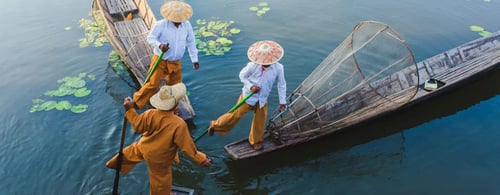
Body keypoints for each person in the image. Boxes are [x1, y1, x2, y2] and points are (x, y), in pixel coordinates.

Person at [106, 83, 211, 195]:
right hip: (159, 157)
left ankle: (115, 163)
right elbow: (188, 148)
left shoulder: (150, 113)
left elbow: (137, 126)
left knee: (130, 153)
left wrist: (130, 110)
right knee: (161, 178)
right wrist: (202, 159)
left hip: (143, 147)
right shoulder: (179, 124)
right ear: (175, 105)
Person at [208, 40, 287, 150]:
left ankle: (256, 141)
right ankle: (215, 125)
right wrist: (251, 86)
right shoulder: (252, 66)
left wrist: (282, 101)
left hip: (262, 99)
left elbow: (281, 84)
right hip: (248, 97)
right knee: (234, 116)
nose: (266, 63)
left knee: (260, 121)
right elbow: (242, 76)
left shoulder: (278, 68)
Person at [133, 0, 200, 109]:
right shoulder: (161, 25)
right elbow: (150, 38)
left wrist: (195, 60)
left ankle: (172, 107)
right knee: (153, 84)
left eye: (180, 20)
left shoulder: (186, 25)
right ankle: (136, 103)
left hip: (175, 62)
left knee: (175, 86)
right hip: (161, 60)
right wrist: (160, 45)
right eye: (176, 20)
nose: (178, 22)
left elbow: (191, 42)